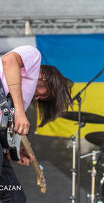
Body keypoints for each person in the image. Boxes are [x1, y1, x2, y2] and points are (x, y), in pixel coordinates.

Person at [0, 45, 73, 202]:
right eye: (44, 93)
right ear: (46, 78)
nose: (38, 98)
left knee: (15, 196)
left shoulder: (19, 99)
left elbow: (3, 127)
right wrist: (19, 111)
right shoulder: (33, 56)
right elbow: (8, 60)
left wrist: (13, 152)